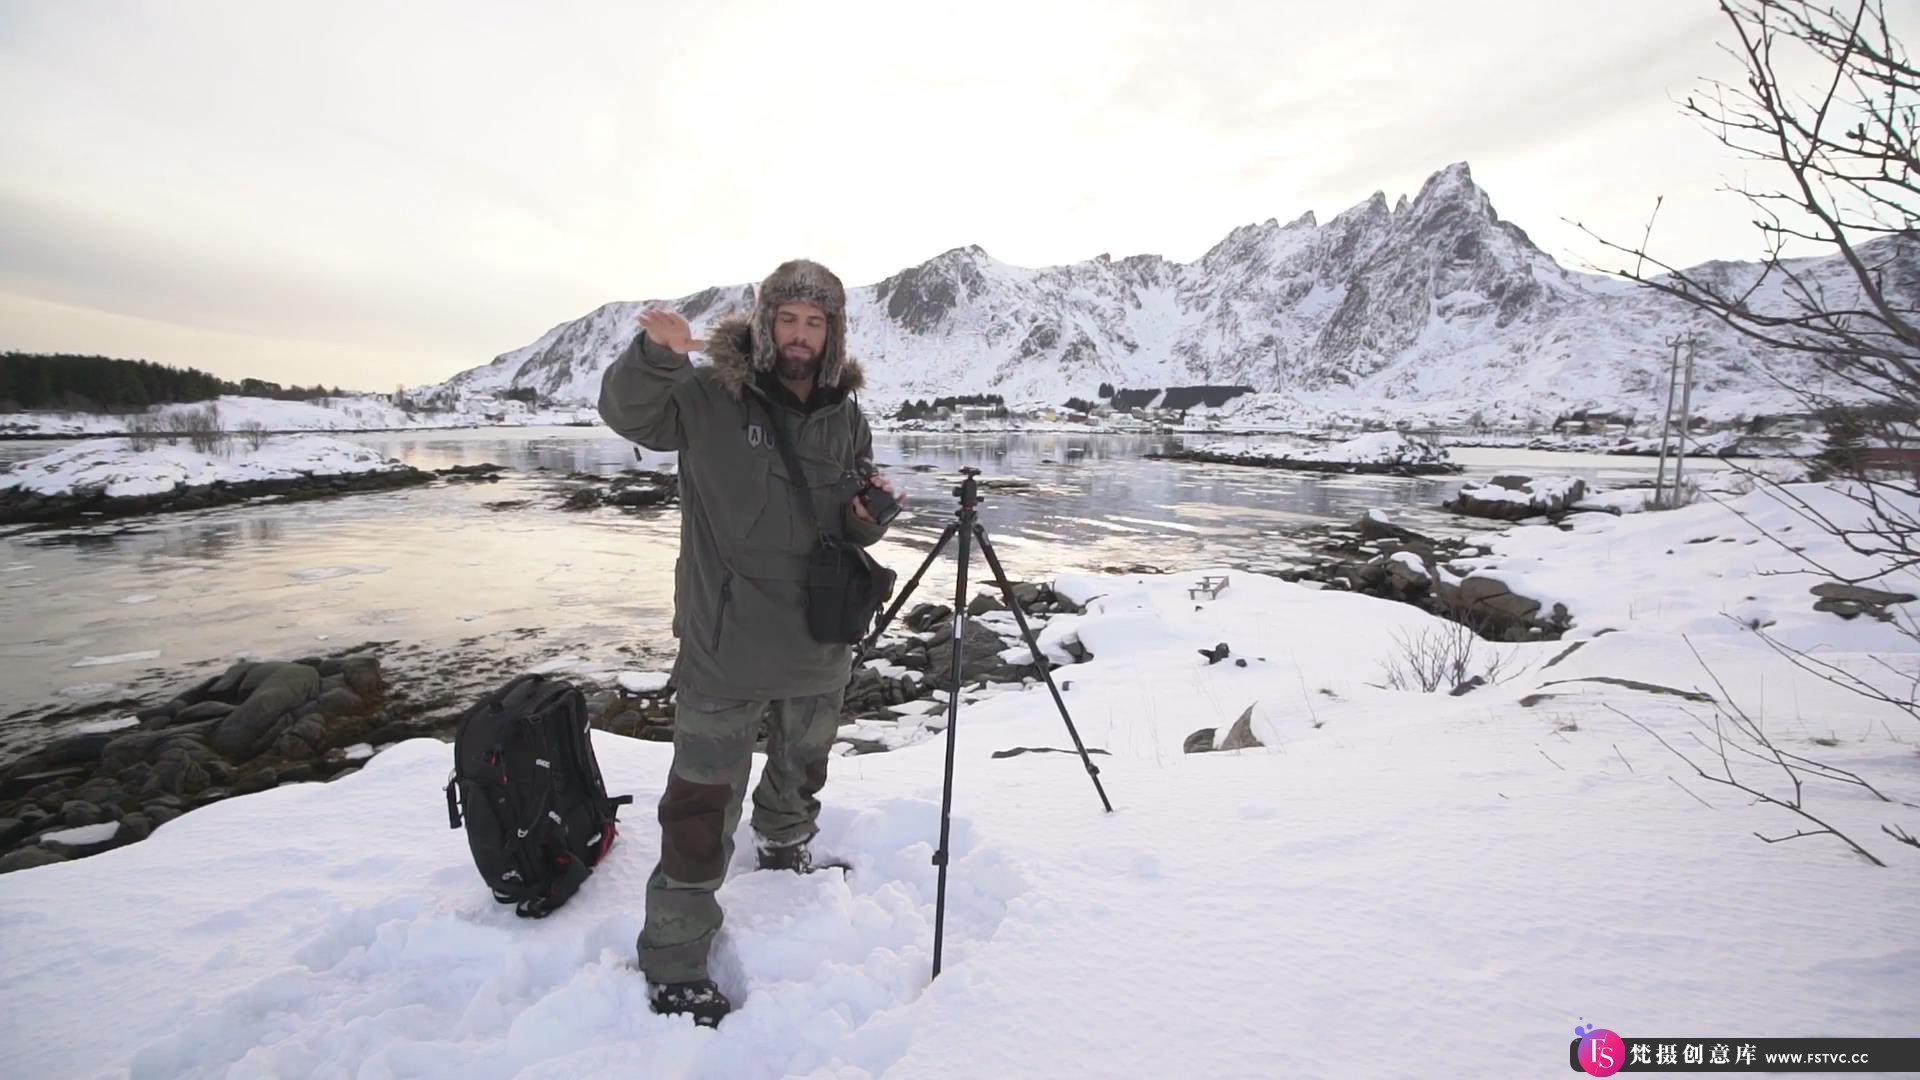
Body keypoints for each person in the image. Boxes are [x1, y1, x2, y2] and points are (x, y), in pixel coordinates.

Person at [597, 259, 899, 1027]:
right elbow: (631, 417)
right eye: (789, 319)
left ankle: (786, 843)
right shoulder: (706, 394)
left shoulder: (846, 417)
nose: (800, 336)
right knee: (702, 800)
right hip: (726, 639)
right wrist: (658, 355)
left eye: (815, 322)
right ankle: (673, 953)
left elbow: (844, 523)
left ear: (832, 333)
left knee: (805, 760)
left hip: (817, 638)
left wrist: (870, 516)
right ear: (766, 324)